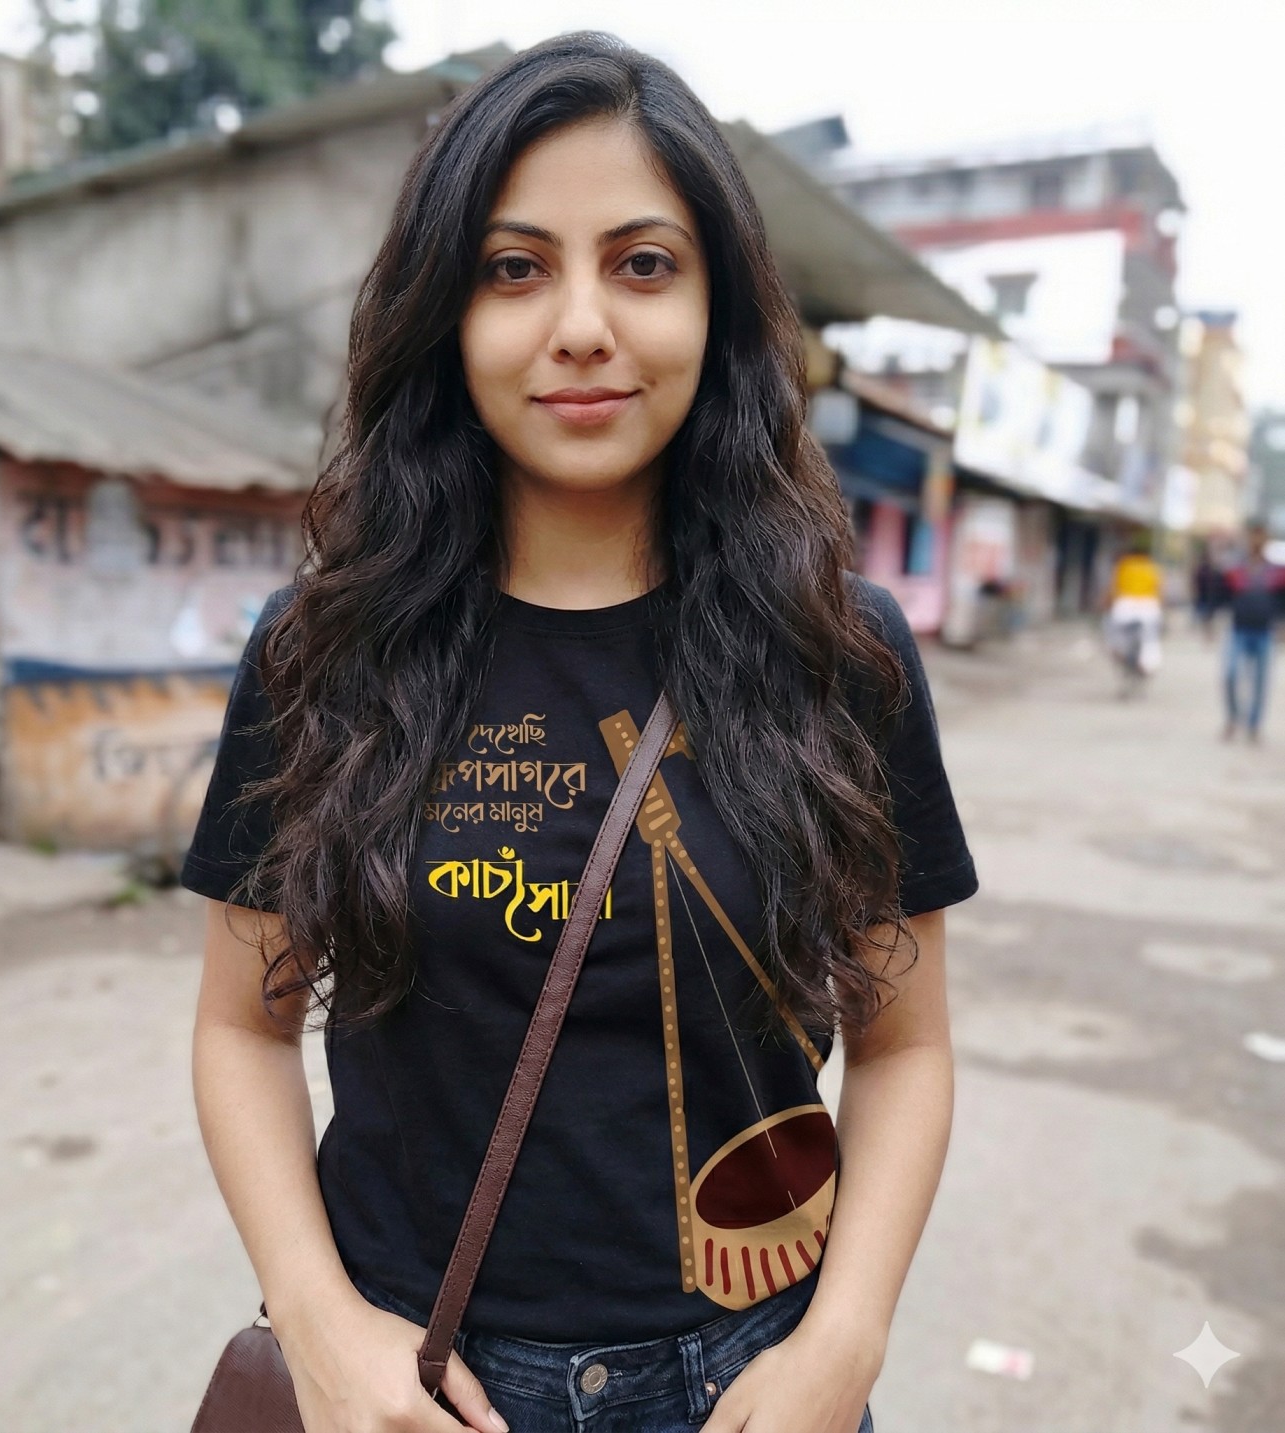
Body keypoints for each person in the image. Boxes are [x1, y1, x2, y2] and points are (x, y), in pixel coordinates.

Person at [181, 33, 978, 1433]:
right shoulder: (326, 647)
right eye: (514, 267)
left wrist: (842, 1347)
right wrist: (318, 1323)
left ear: (718, 306)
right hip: (418, 1380)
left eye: (643, 263)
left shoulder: (836, 653)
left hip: (751, 1381)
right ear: (444, 310)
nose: (582, 325)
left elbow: (902, 1045)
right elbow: (240, 1029)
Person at [1221, 522, 1285, 743]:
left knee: (1260, 682)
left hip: (1264, 632)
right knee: (1230, 674)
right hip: (1238, 630)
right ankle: (1233, 717)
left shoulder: (1277, 572)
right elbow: (1223, 594)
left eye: (1260, 537)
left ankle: (1254, 724)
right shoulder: (1236, 570)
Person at [1104, 533, 1165, 684]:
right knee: (1151, 637)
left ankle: (1117, 651)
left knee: (1113, 630)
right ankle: (1148, 665)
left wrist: (1106, 603)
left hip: (1125, 604)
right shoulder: (1153, 567)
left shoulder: (1124, 565)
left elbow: (1113, 588)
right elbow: (1159, 589)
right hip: (1148, 606)